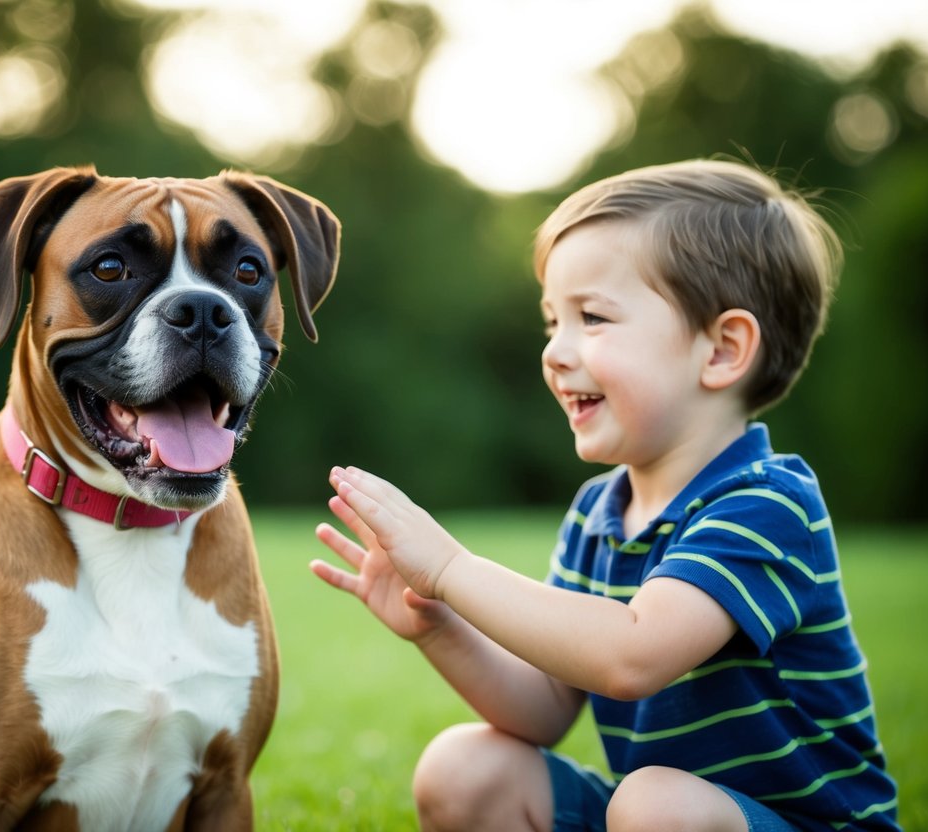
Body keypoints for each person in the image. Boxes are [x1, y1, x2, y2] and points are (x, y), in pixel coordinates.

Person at [311, 159, 898, 831]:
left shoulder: (766, 503)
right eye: (549, 323)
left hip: (799, 825)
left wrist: (451, 569)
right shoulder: (598, 512)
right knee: (466, 768)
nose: (556, 352)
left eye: (591, 317)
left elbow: (631, 655)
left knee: (653, 804)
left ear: (721, 350)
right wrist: (438, 625)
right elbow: (545, 707)